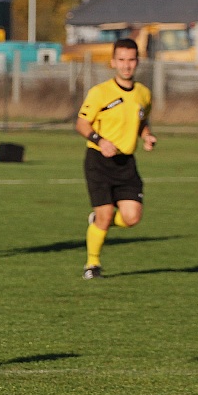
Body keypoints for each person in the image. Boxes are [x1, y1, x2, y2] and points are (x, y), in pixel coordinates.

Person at [75, 38, 156, 280]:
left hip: (126, 163)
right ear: (113, 62)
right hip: (99, 161)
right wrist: (100, 140)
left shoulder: (143, 93)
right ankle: (92, 265)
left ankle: (99, 220)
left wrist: (147, 136)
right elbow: (81, 123)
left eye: (131, 60)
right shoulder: (100, 92)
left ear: (137, 62)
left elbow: (141, 119)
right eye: (121, 60)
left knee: (132, 218)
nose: (126, 65)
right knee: (106, 214)